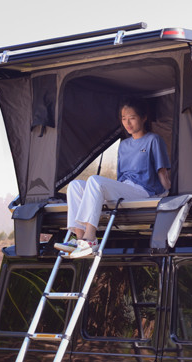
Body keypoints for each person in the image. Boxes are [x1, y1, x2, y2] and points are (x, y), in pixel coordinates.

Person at [58, 99, 171, 258]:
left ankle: (90, 239)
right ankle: (79, 238)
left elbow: (162, 172)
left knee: (95, 180)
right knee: (75, 185)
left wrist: (168, 192)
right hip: (125, 188)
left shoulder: (154, 140)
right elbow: (120, 178)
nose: (127, 123)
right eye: (124, 119)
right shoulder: (124, 145)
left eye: (131, 118)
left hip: (143, 191)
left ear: (143, 117)